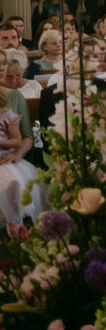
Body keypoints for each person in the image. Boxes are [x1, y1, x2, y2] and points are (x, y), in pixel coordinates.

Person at [0, 65, 43, 223]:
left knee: (12, 182)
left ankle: (13, 233)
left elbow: (27, 136)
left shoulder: (13, 97)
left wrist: (16, 154)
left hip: (5, 155)